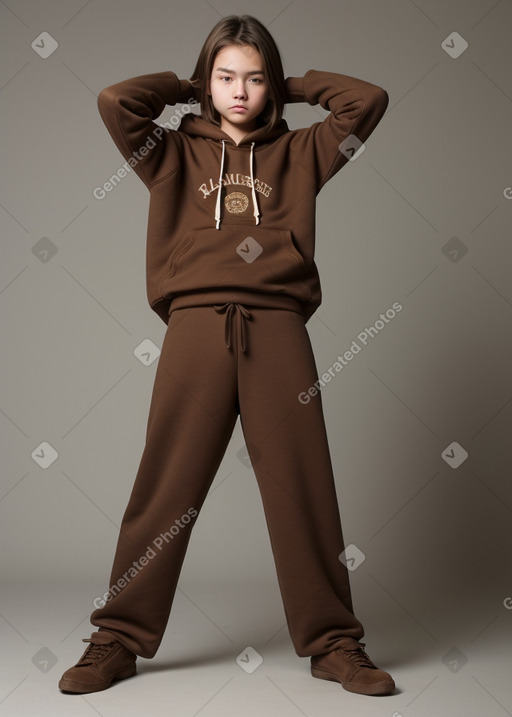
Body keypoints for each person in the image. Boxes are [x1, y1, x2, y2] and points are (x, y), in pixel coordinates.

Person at [59, 14, 394, 698]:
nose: (240, 91)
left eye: (254, 77)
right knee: (164, 487)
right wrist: (187, 86)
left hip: (276, 328)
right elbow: (114, 101)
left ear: (270, 84)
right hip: (194, 328)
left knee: (304, 487)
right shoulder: (167, 153)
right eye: (226, 77)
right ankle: (116, 638)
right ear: (206, 83)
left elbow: (368, 100)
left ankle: (335, 643)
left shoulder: (304, 152)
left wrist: (290, 86)